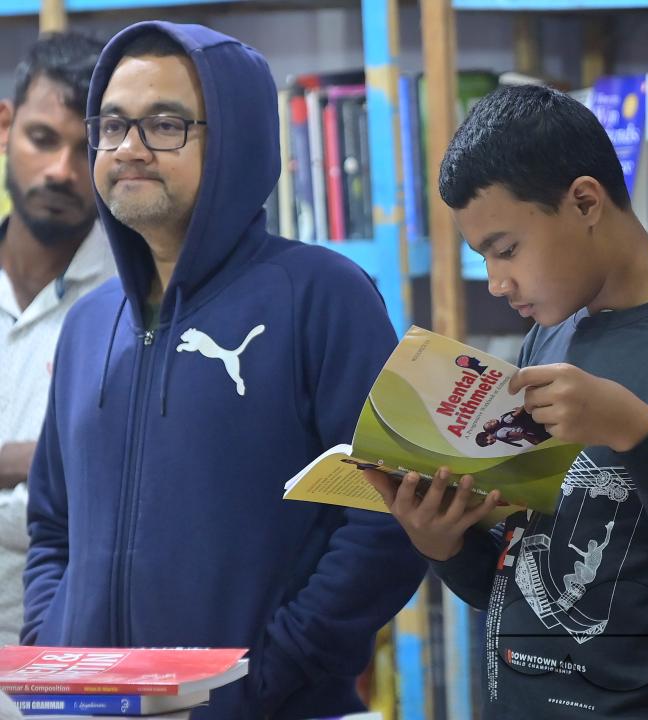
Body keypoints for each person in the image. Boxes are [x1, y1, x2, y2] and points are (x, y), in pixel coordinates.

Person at [22, 21, 426, 720]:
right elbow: (54, 525)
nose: (130, 149)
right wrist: (51, 642)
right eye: (113, 126)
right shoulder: (89, 322)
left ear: (233, 137)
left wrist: (271, 672)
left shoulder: (323, 296)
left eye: (166, 125)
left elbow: (388, 515)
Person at [365, 84, 648, 719]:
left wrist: (638, 435)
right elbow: (518, 584)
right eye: (483, 258)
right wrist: (444, 543)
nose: (497, 283)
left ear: (583, 202)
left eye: (506, 249)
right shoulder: (547, 341)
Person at [0, 32, 112, 647]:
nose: (61, 172)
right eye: (43, 138)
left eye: (85, 146)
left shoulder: (139, 302)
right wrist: (35, 462)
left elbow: (115, 508)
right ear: (4, 127)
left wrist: (31, 467)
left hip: (70, 668)